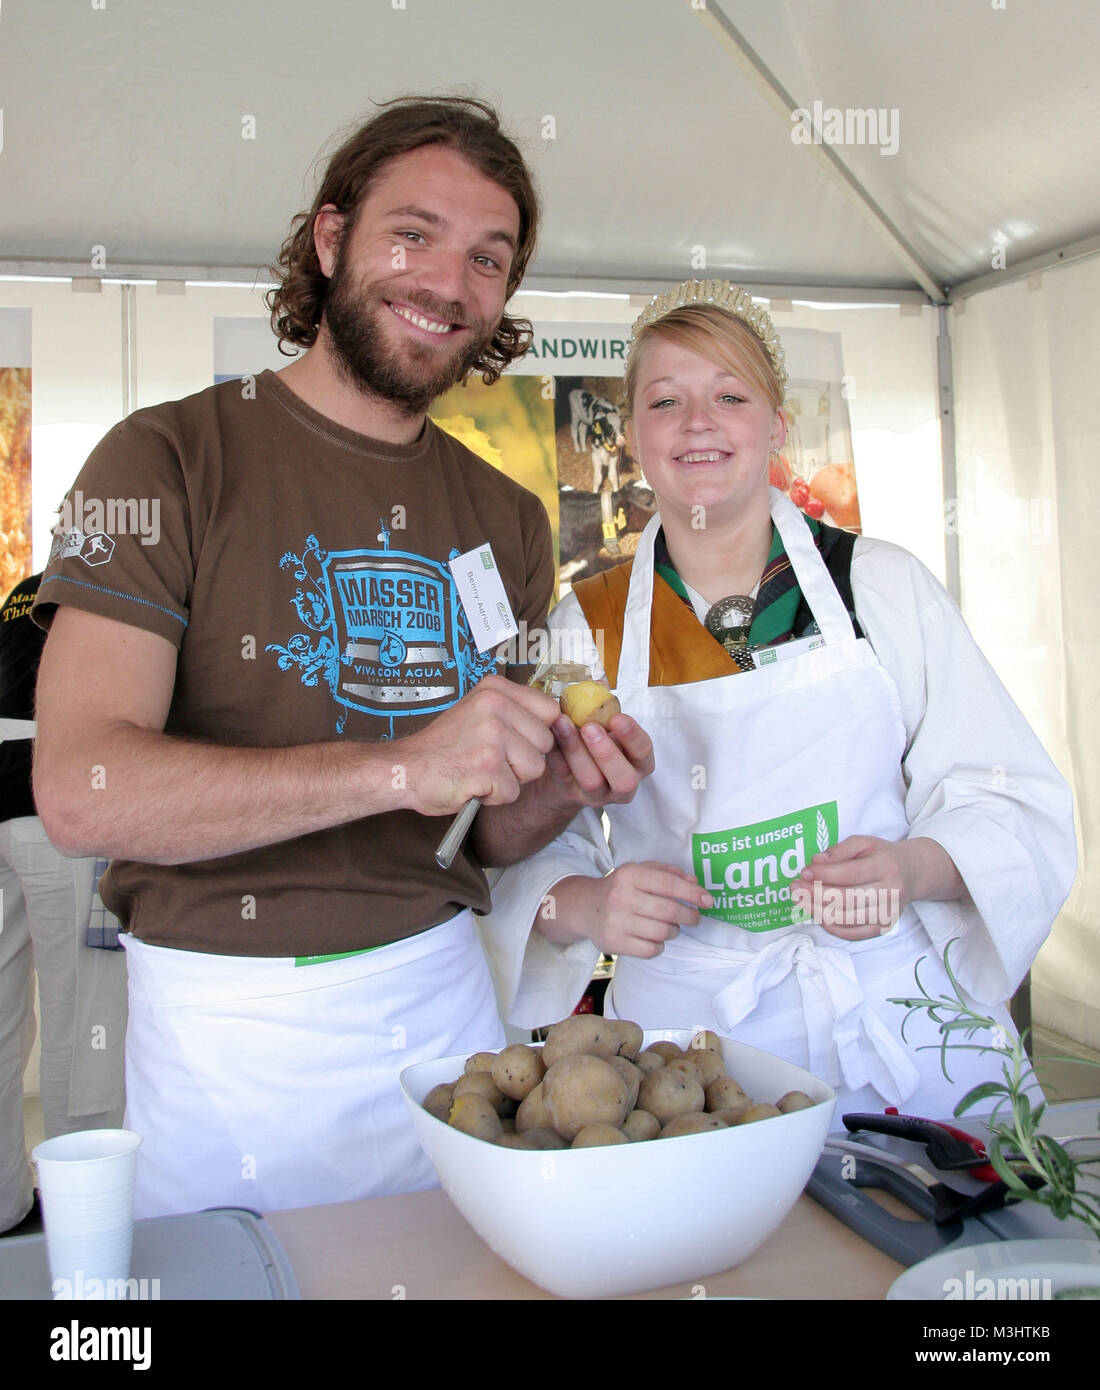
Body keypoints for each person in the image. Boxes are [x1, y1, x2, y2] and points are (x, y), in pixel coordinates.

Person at [30, 96, 651, 1218]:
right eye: (410, 234)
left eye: (486, 258)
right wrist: (400, 766)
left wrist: (556, 781)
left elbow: (485, 835)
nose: (445, 281)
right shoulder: (169, 455)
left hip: (451, 1020)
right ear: (330, 240)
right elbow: (82, 790)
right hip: (229, 1041)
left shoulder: (505, 515)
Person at [481, 279, 1076, 1122]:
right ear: (636, 435)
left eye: (729, 395)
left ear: (776, 425)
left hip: (902, 1016)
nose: (698, 422)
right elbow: (516, 840)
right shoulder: (589, 628)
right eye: (665, 400)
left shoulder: (879, 587)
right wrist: (589, 904)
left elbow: (1008, 798)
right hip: (691, 1050)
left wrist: (905, 872)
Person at [0, 573, 126, 1234]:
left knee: (2, 1019)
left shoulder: (20, 593)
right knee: (82, 1015)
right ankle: (85, 1210)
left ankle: (3, 1202)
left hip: (0, 802)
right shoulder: (97, 588)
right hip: (55, 808)